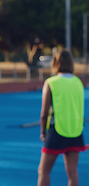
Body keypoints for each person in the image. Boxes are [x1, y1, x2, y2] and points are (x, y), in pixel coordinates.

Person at [37, 49, 86, 186]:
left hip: (57, 130)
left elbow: (44, 113)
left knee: (43, 171)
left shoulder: (51, 82)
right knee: (72, 172)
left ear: (55, 63)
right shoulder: (78, 82)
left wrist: (42, 132)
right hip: (76, 131)